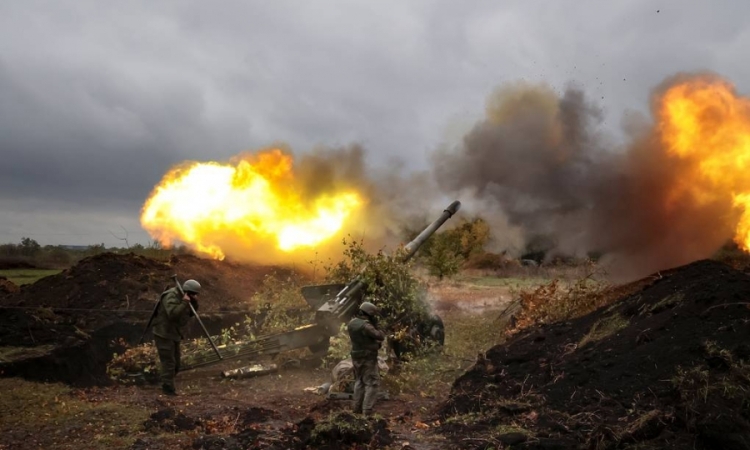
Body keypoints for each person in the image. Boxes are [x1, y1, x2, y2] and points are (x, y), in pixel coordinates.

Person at [151, 279, 201, 396]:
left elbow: (190, 313)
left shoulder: (185, 296)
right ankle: (168, 390)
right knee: (169, 362)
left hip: (174, 333)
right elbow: (173, 314)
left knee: (177, 363)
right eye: (193, 294)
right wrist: (184, 303)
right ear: (187, 291)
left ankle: (166, 382)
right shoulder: (171, 296)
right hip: (163, 333)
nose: (194, 295)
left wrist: (194, 302)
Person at [347, 301, 385, 416]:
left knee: (359, 381)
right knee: (372, 383)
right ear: (369, 313)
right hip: (367, 358)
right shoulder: (366, 326)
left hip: (356, 356)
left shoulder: (352, 323)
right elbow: (380, 336)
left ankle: (356, 409)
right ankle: (367, 411)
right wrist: (378, 325)